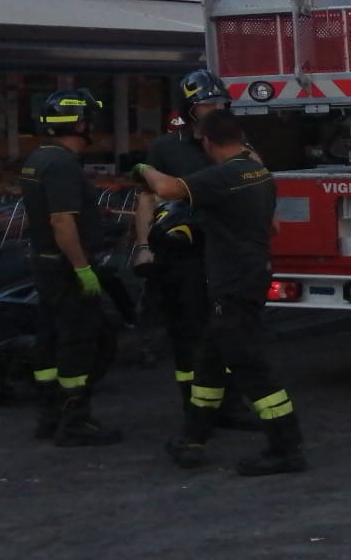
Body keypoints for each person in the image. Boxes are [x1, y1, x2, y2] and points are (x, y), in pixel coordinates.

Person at [134, 109, 306, 476]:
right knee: (209, 365)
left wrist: (140, 169)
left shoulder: (223, 176)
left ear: (208, 141)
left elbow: (166, 190)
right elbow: (272, 226)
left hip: (232, 284)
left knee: (252, 369)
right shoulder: (257, 171)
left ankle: (287, 447)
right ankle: (192, 439)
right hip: (250, 277)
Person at [132, 68, 256, 429]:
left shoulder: (236, 144)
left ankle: (231, 406)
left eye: (221, 102)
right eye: (207, 104)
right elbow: (147, 197)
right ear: (189, 110)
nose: (216, 108)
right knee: (188, 335)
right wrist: (143, 246)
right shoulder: (165, 148)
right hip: (181, 259)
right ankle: (196, 411)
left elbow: (256, 185)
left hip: (224, 255)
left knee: (229, 332)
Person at [22, 88, 123, 446]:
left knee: (48, 341)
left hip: (45, 265)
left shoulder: (38, 159)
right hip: (65, 268)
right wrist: (82, 268)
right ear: (80, 123)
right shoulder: (63, 164)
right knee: (79, 342)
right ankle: (75, 421)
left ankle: (50, 416)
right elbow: (62, 221)